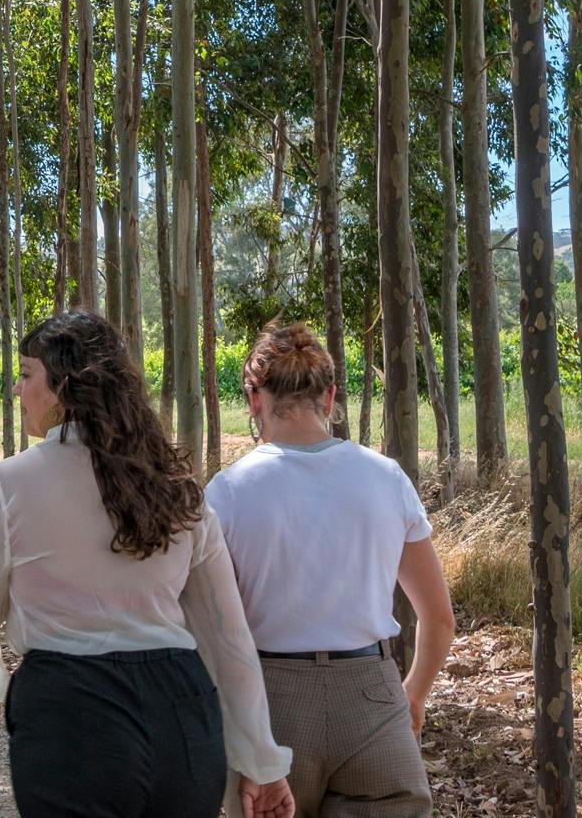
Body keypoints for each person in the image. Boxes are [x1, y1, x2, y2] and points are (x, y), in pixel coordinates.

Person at [0, 310, 294, 818]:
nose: (17, 389)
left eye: (26, 374)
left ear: (64, 387)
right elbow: (227, 636)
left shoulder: (6, 485)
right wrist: (261, 760)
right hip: (181, 714)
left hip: (71, 716)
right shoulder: (175, 487)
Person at [205, 321, 455, 818]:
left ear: (254, 399)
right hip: (372, 698)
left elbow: (216, 632)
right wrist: (413, 694)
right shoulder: (386, 478)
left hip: (269, 704)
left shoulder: (227, 491)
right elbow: (440, 618)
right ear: (330, 396)